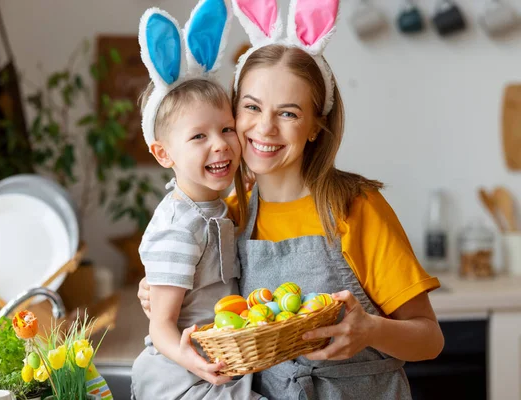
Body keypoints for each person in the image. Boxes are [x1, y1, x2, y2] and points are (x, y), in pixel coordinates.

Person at [138, 0, 444, 399]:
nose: (264, 128)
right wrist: (159, 287)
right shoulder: (231, 218)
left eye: (288, 114)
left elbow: (430, 339)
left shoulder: (355, 208)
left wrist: (371, 329)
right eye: (251, 107)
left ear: (316, 126)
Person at [130, 1, 265, 399]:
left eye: (226, 129)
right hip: (181, 375)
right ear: (163, 154)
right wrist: (192, 361)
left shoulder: (216, 207)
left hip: (219, 361)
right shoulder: (179, 226)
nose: (221, 145)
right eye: (198, 137)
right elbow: (161, 324)